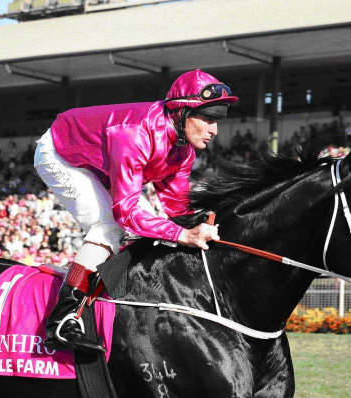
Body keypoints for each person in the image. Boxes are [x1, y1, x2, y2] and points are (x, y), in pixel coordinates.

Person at [34, 69, 236, 352]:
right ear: (181, 112)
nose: (215, 130)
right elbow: (125, 212)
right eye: (208, 119)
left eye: (218, 120)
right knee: (109, 227)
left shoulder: (184, 152)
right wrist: (183, 234)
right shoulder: (136, 132)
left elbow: (176, 211)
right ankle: (63, 317)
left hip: (102, 165)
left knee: (155, 227)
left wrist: (200, 228)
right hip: (61, 154)